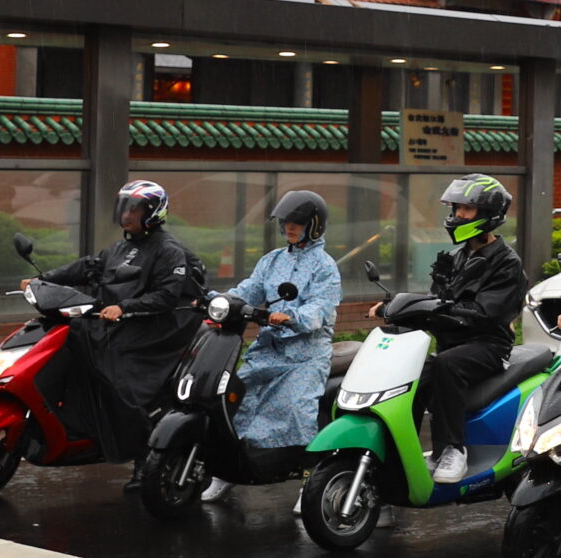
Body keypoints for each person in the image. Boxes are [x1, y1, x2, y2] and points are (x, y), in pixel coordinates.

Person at [30, 179, 208, 466]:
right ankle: (76, 425)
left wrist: (124, 307)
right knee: (72, 337)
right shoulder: (119, 248)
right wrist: (45, 279)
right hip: (119, 321)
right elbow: (89, 266)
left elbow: (166, 296)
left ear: (152, 212)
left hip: (155, 328)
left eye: (134, 209)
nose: (126, 215)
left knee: (116, 370)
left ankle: (138, 446)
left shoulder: (168, 249)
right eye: (124, 208)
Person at [204, 189, 342, 501]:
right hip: (268, 348)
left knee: (297, 411)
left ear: (314, 225)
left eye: (297, 222)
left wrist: (291, 317)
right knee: (235, 402)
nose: (289, 227)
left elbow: (319, 309)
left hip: (306, 356)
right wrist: (218, 298)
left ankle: (311, 483)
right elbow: (248, 290)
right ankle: (226, 472)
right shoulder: (272, 260)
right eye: (285, 222)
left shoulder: (325, 266)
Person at [418, 174, 528, 484]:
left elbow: (484, 315)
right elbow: (434, 301)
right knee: (412, 374)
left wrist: (440, 310)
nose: (457, 217)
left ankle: (454, 450)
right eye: (455, 209)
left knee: (446, 365)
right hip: (453, 343)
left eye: (466, 210)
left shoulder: (506, 262)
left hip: (489, 346)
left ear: (488, 214)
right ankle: (404, 454)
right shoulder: (456, 257)